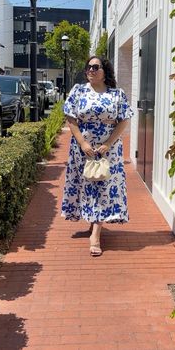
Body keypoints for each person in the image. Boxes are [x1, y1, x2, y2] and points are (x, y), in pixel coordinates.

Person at [61, 56, 133, 256]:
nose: (90, 70)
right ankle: (93, 221)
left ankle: (96, 235)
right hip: (82, 150)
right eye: (88, 67)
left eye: (95, 67)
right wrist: (83, 143)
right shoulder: (78, 91)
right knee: (87, 185)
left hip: (107, 151)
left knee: (103, 186)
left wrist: (107, 144)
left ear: (105, 71)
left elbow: (123, 120)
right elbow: (70, 117)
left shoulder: (117, 94)